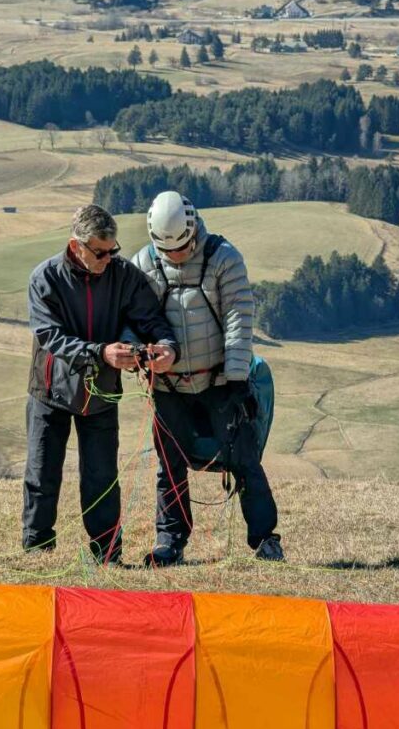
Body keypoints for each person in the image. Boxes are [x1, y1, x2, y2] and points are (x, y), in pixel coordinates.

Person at [129, 191, 284, 566]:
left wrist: (235, 378)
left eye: (182, 248)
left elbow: (238, 318)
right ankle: (170, 542)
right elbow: (133, 320)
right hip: (168, 387)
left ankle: (265, 539)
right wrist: (140, 354)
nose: (176, 256)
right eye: (168, 252)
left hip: (219, 383)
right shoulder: (143, 265)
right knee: (170, 466)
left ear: (193, 228)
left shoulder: (223, 258)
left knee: (244, 459)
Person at [23, 204, 179, 564]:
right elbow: (50, 336)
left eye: (114, 250)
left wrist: (167, 348)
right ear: (76, 246)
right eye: (101, 252)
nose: (109, 258)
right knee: (42, 472)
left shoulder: (124, 276)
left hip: (102, 394)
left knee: (102, 477)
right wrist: (100, 353)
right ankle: (36, 549)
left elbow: (150, 319)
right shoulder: (44, 278)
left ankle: (107, 553)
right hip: (51, 390)